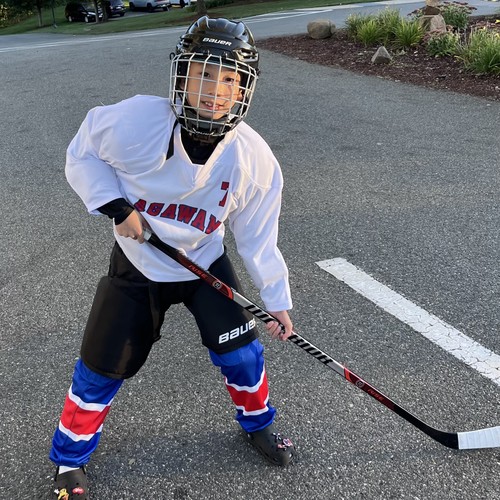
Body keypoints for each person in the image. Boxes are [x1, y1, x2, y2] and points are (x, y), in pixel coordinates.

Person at [50, 16, 295, 500]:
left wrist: (277, 300)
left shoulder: (254, 159)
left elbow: (258, 238)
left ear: (243, 88)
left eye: (229, 79)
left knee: (242, 354)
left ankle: (258, 423)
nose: (215, 91)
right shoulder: (136, 122)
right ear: (182, 75)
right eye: (204, 74)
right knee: (101, 364)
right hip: (140, 262)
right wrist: (117, 208)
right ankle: (69, 458)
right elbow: (82, 153)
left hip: (204, 263)